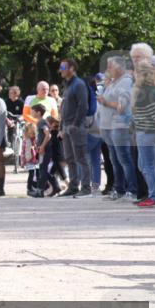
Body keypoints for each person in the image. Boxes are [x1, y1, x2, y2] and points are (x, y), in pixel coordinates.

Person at [97, 57, 137, 201]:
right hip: (109, 127)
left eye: (110, 66)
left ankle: (132, 190)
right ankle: (119, 189)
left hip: (120, 125)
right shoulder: (114, 82)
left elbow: (122, 106)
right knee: (115, 159)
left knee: (124, 159)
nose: (108, 69)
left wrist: (105, 102)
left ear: (120, 67)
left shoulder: (126, 81)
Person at [132, 61, 155, 208]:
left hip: (147, 131)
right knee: (144, 165)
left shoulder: (146, 92)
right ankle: (153, 194)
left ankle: (154, 197)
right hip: (147, 131)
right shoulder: (152, 90)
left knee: (147, 165)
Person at [56, 58, 93, 198]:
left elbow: (83, 106)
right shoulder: (67, 85)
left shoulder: (79, 84)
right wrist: (61, 127)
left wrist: (75, 125)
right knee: (70, 158)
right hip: (66, 127)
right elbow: (63, 108)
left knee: (81, 158)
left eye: (63, 67)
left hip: (75, 127)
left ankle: (86, 188)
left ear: (72, 68)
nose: (61, 70)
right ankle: (73, 186)